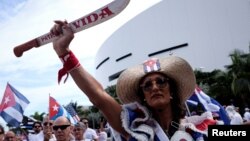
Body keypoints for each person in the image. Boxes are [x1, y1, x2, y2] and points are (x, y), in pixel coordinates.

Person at [50, 20, 197, 140]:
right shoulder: (132, 127)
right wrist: (64, 53)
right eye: (147, 85)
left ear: (171, 89)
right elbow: (98, 97)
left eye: (160, 81)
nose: (154, 87)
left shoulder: (201, 129)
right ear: (143, 96)